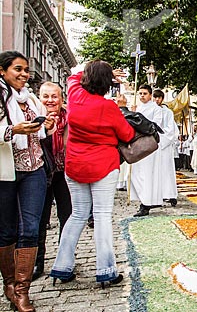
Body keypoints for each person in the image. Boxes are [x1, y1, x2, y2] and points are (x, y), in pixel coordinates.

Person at [50, 60, 134, 290]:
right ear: (108, 83)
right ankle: (106, 270)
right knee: (102, 215)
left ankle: (62, 266)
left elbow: (74, 74)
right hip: (102, 166)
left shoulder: (74, 95)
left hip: (75, 165)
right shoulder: (108, 107)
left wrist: (92, 69)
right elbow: (126, 134)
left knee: (77, 215)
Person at [0, 51, 56, 312]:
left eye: (25, 70)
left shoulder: (31, 99)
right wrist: (13, 130)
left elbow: (42, 131)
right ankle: (9, 285)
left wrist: (48, 125)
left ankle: (23, 291)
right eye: (17, 69)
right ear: (3, 71)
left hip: (34, 168)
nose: (23, 75)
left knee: (31, 228)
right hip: (6, 170)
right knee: (7, 231)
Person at [33, 82, 73, 281]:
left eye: (54, 96)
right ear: (39, 98)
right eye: (46, 96)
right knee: (41, 218)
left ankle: (64, 261)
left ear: (61, 99)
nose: (50, 100)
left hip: (64, 172)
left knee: (67, 217)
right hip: (41, 172)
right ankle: (37, 261)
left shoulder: (69, 117)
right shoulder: (33, 116)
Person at [130, 84, 164, 217]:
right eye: (140, 93)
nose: (142, 96)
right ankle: (142, 199)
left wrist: (137, 117)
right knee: (137, 174)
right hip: (137, 144)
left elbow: (155, 126)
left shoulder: (156, 109)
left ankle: (146, 204)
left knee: (147, 174)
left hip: (149, 144)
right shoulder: (137, 108)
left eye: (144, 93)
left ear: (150, 95)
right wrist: (132, 114)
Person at [152, 89, 178, 206]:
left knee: (167, 170)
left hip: (164, 145)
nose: (157, 100)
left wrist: (161, 140)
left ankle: (170, 194)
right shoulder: (151, 110)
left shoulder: (168, 112)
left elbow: (170, 129)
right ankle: (157, 195)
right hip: (153, 145)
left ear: (162, 99)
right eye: (155, 97)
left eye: (159, 97)